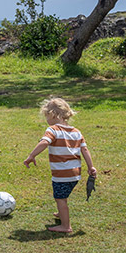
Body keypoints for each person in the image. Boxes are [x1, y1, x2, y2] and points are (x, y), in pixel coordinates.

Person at [22, 97, 97, 233]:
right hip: (75, 173)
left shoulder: (53, 130)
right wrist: (91, 167)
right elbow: (84, 149)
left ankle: (65, 226)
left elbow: (44, 142)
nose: (46, 120)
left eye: (46, 116)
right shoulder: (76, 132)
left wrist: (31, 156)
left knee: (60, 198)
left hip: (62, 173)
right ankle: (61, 213)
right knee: (63, 193)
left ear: (52, 115)